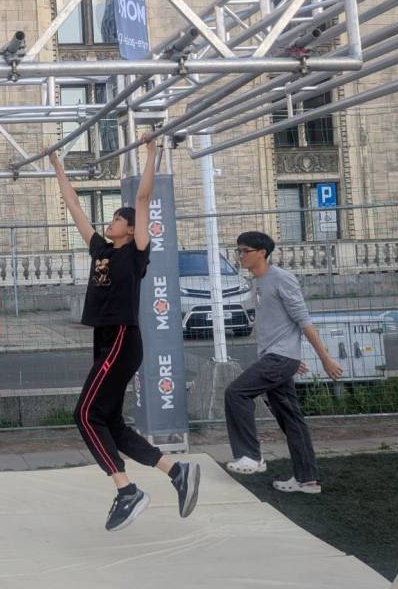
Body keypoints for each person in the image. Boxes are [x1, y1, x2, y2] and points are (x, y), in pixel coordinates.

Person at [50, 134, 199, 532]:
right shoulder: (101, 249)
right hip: (104, 340)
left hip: (121, 337)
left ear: (131, 230)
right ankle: (176, 471)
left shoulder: (136, 252)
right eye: (114, 218)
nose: (111, 221)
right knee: (110, 423)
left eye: (118, 218)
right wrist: (57, 166)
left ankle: (126, 489)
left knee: (85, 415)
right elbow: (73, 205)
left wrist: (151, 153)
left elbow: (144, 198)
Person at [224, 231, 343, 493]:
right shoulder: (258, 282)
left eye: (245, 251)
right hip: (280, 358)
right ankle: (307, 481)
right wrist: (291, 358)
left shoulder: (281, 278)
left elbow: (303, 320)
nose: (240, 256)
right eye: (238, 251)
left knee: (236, 393)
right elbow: (280, 326)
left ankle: (251, 457)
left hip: (280, 358)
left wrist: (325, 359)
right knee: (292, 420)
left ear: (261, 253)